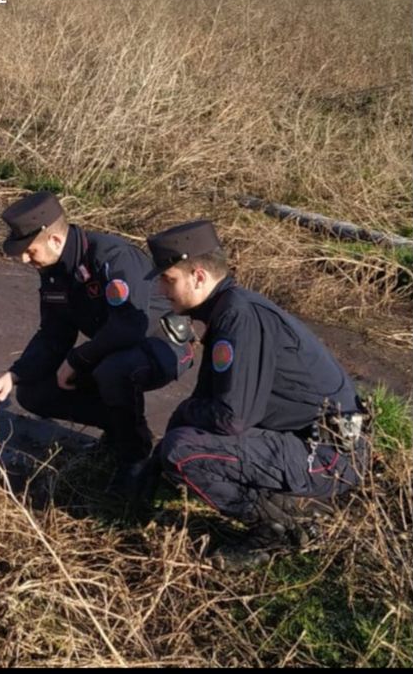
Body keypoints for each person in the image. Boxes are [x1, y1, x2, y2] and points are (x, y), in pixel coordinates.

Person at [146, 219, 367, 567]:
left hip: (330, 457)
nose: (161, 290)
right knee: (182, 438)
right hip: (310, 440)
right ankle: (278, 510)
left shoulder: (239, 317)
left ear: (199, 276)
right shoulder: (227, 310)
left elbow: (232, 419)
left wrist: (176, 437)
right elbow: (208, 400)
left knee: (183, 452)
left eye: (168, 279)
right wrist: (154, 465)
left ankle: (277, 531)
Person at [0, 191, 194, 494]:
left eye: (30, 250)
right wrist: (13, 376)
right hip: (110, 352)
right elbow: (53, 334)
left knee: (114, 370)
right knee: (33, 392)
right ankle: (119, 428)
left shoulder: (111, 257)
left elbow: (129, 326)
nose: (25, 259)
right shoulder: (54, 270)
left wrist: (78, 360)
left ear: (53, 240)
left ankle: (135, 455)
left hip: (162, 346)